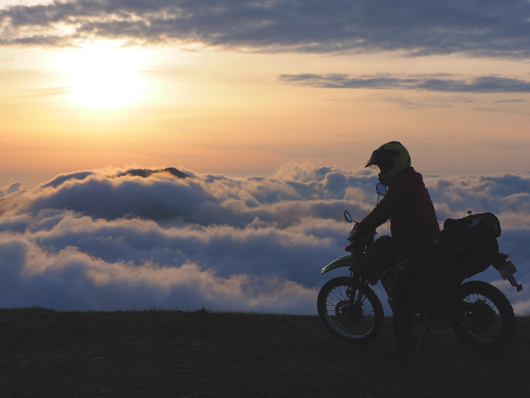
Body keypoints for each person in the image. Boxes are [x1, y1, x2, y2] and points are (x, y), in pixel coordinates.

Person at [354, 141, 440, 356]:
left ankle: (404, 345)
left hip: (417, 245)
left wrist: (361, 228)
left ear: (394, 163)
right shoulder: (411, 179)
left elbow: (383, 211)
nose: (381, 171)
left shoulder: (400, 186)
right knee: (387, 247)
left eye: (383, 166)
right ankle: (421, 310)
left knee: (399, 289)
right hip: (427, 240)